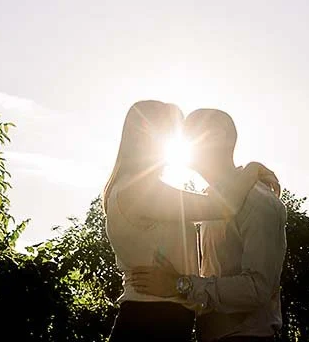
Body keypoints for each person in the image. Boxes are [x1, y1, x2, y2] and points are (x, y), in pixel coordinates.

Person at [103, 100, 279, 342]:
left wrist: (182, 285)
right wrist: (252, 169)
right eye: (176, 133)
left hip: (202, 328)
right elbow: (221, 207)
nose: (183, 140)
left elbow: (257, 288)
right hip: (152, 322)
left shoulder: (255, 201)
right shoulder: (140, 190)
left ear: (223, 138)